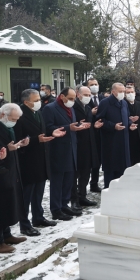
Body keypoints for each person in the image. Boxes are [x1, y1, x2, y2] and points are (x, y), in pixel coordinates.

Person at [14, 89, 64, 230]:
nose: (39, 102)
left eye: (39, 99)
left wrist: (51, 132)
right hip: (27, 161)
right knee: (26, 195)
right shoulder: (19, 116)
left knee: (39, 192)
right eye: (35, 100)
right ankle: (24, 224)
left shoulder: (38, 113)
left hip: (41, 159)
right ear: (26, 102)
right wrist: (36, 140)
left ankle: (38, 217)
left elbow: (42, 132)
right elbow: (18, 139)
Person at [0, 103, 29, 253]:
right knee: (0, 207)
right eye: (13, 119)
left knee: (9, 203)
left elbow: (9, 144)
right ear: (3, 115)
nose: (14, 122)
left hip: (10, 169)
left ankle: (6, 234)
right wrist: (7, 149)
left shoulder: (6, 125)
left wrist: (19, 144)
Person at [42, 88, 88, 220]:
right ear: (62, 96)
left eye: (74, 99)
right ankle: (56, 209)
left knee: (68, 180)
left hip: (71, 149)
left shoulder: (70, 108)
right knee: (58, 181)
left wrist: (79, 125)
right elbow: (48, 127)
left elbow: (70, 124)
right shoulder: (50, 108)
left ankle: (64, 204)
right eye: (71, 98)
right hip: (57, 150)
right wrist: (69, 128)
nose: (73, 101)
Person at [96, 83, 136, 187]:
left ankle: (121, 190)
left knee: (123, 168)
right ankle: (109, 190)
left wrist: (130, 124)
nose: (123, 94)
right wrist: (113, 126)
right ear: (113, 92)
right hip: (111, 141)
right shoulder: (105, 103)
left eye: (124, 91)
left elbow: (126, 118)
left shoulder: (124, 103)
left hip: (124, 140)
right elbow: (100, 120)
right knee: (111, 168)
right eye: (120, 91)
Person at [71, 86, 99, 210]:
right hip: (77, 144)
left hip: (89, 144)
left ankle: (82, 196)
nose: (88, 97)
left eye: (89, 95)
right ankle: (74, 199)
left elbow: (89, 123)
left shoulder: (87, 108)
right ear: (78, 94)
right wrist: (78, 125)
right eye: (85, 94)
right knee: (75, 174)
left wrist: (95, 125)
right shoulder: (73, 107)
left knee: (86, 173)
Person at [86, 77, 104, 192]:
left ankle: (94, 183)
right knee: (89, 162)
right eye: (92, 84)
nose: (94, 86)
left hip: (102, 133)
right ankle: (82, 185)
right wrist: (90, 113)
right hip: (90, 133)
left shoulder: (102, 99)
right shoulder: (86, 100)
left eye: (96, 84)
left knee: (98, 161)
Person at [125, 86, 140, 165]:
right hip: (130, 135)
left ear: (135, 93)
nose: (130, 94)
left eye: (131, 92)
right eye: (128, 93)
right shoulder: (123, 105)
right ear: (125, 94)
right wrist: (129, 120)